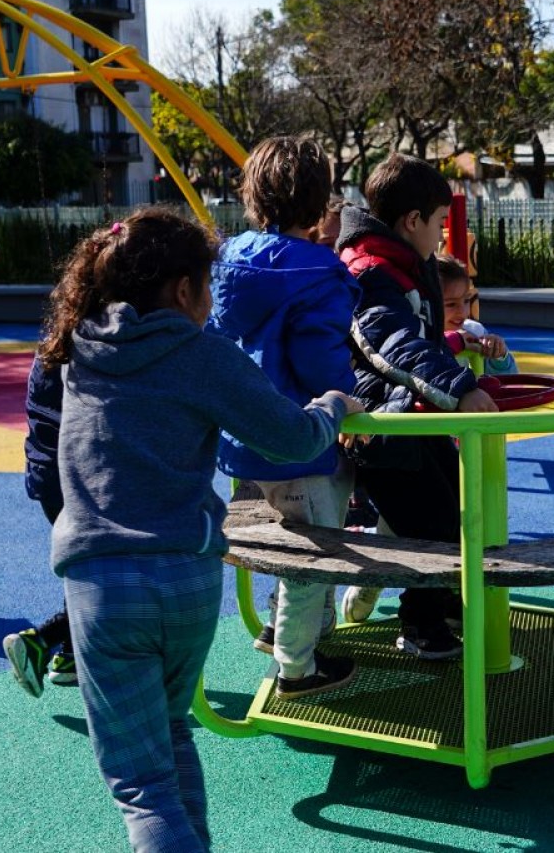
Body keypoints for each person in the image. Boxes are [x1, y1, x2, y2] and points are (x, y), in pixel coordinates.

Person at [43, 206, 359, 852]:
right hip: (185, 578)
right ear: (185, 289)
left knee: (142, 786)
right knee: (172, 734)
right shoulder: (201, 354)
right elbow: (290, 437)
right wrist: (332, 406)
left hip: (104, 584)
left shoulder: (78, 350)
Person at [207, 136, 359, 697]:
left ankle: (282, 629)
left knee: (290, 538)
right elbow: (320, 358)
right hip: (300, 438)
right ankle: (296, 669)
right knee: (312, 554)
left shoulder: (229, 259)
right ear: (319, 203)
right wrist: (346, 399)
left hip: (244, 433)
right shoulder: (318, 271)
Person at [337, 153, 498, 659]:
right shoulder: (372, 273)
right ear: (412, 221)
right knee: (429, 521)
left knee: (456, 504)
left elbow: (423, 339)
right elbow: (395, 346)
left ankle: (440, 600)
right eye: (439, 223)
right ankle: (420, 623)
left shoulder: (405, 263)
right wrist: (460, 387)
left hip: (411, 413)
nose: (443, 236)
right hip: (380, 422)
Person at [1, 355, 76, 697]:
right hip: (74, 477)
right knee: (108, 572)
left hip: (47, 476)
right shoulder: (88, 349)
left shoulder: (51, 346)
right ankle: (41, 640)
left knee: (84, 567)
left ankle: (70, 655)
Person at [436, 255, 518, 375]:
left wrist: (498, 355)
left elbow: (510, 380)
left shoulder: (475, 332)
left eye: (466, 300)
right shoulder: (419, 337)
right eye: (451, 304)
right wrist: (452, 342)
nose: (462, 311)